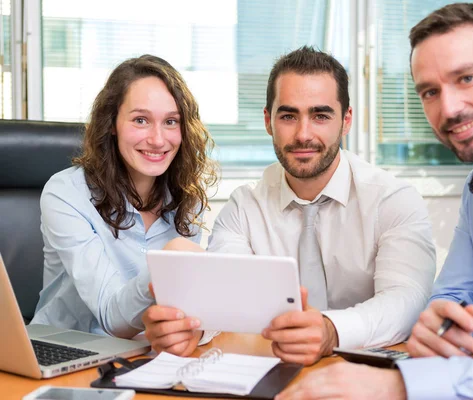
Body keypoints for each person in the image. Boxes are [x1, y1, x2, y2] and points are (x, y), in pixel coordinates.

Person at [276, 3, 473, 399]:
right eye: (430, 91)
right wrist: (438, 325)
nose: (448, 108)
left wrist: (399, 385)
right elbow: (452, 298)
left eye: (466, 78)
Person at [142, 46, 437, 365]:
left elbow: (405, 301)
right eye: (288, 116)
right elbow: (226, 298)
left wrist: (330, 331)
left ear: (346, 120)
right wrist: (191, 329)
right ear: (268, 121)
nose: (303, 134)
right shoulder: (244, 207)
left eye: (320, 115)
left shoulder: (393, 201)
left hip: (367, 376)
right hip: (275, 373)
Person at [31, 55, 219, 353]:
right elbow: (111, 317)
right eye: (140, 120)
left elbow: (187, 305)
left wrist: (193, 328)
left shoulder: (187, 200)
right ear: (112, 123)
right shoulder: (66, 193)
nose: (158, 139)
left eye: (171, 121)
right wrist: (167, 263)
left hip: (147, 357)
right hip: (66, 355)